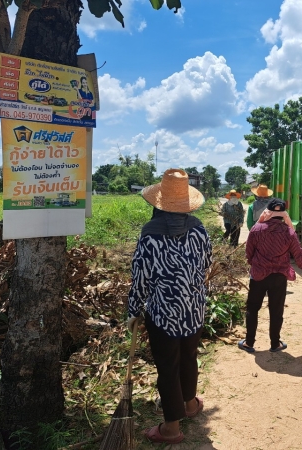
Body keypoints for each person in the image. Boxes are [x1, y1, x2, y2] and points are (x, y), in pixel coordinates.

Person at [127, 168, 212, 445]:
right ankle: (190, 405)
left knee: (168, 367)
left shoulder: (150, 233)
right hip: (193, 309)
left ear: (158, 203)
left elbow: (140, 275)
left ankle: (171, 428)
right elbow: (205, 265)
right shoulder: (199, 228)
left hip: (163, 313)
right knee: (188, 356)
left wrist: (133, 310)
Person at [239, 199, 302, 353]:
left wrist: (256, 263)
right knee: (276, 310)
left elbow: (248, 253)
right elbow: (298, 255)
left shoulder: (256, 229)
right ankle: (275, 344)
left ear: (268, 213)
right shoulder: (289, 232)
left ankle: (249, 342)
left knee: (253, 308)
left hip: (258, 275)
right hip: (279, 277)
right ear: (283, 215)